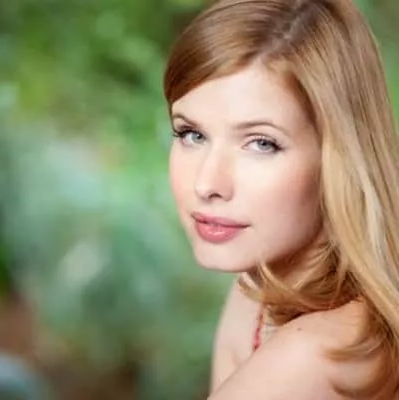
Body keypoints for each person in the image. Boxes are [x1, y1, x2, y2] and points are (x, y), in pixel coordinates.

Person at [163, 0, 399, 398]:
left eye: (261, 143)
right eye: (192, 134)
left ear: (339, 159)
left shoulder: (318, 356)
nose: (207, 183)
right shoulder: (255, 292)